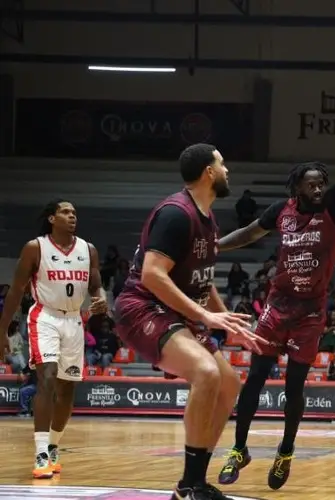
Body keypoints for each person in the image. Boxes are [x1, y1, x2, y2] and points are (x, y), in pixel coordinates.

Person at [214, 65, 335, 490]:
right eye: (312, 183)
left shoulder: (334, 209)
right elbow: (249, 233)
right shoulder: (281, 212)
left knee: (294, 387)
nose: (320, 186)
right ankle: (239, 448)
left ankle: (285, 452)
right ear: (297, 188)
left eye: (323, 181)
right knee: (253, 381)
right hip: (277, 307)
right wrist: (215, 247)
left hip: (310, 313)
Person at [113, 143, 264, 500]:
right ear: (209, 172)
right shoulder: (175, 214)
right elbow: (152, 274)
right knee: (207, 372)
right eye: (223, 165)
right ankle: (190, 485)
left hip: (177, 313)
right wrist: (203, 315)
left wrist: (223, 317)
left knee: (229, 385)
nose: (228, 171)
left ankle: (192, 484)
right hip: (142, 308)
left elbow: (202, 277)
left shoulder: (208, 217)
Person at [0, 199, 107, 479]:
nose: (72, 216)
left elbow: (96, 286)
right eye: (65, 212)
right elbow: (16, 291)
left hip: (74, 320)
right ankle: (40, 453)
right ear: (51, 218)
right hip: (44, 316)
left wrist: (101, 300)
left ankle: (53, 446)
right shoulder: (35, 248)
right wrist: (2, 329)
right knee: (46, 378)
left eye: (74, 212)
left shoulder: (88, 250)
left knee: (67, 390)